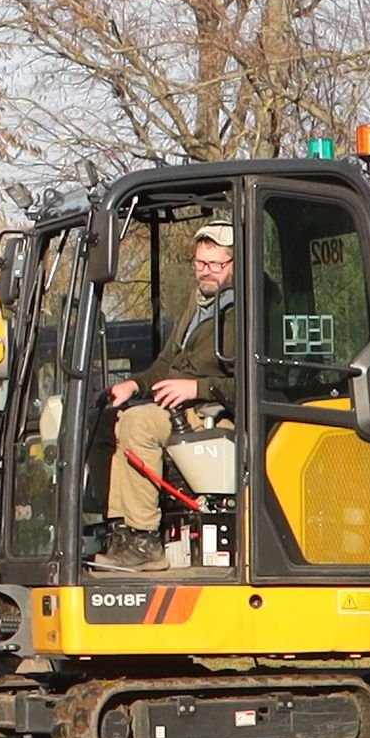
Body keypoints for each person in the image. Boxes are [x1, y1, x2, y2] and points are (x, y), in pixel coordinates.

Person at [101, 222, 245, 570]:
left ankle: (144, 538)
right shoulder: (198, 306)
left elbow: (254, 382)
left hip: (215, 410)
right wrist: (133, 386)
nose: (205, 272)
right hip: (183, 404)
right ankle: (119, 530)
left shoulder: (246, 311)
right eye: (199, 263)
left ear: (235, 264)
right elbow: (166, 363)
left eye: (215, 265)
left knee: (138, 423)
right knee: (107, 421)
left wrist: (197, 388)